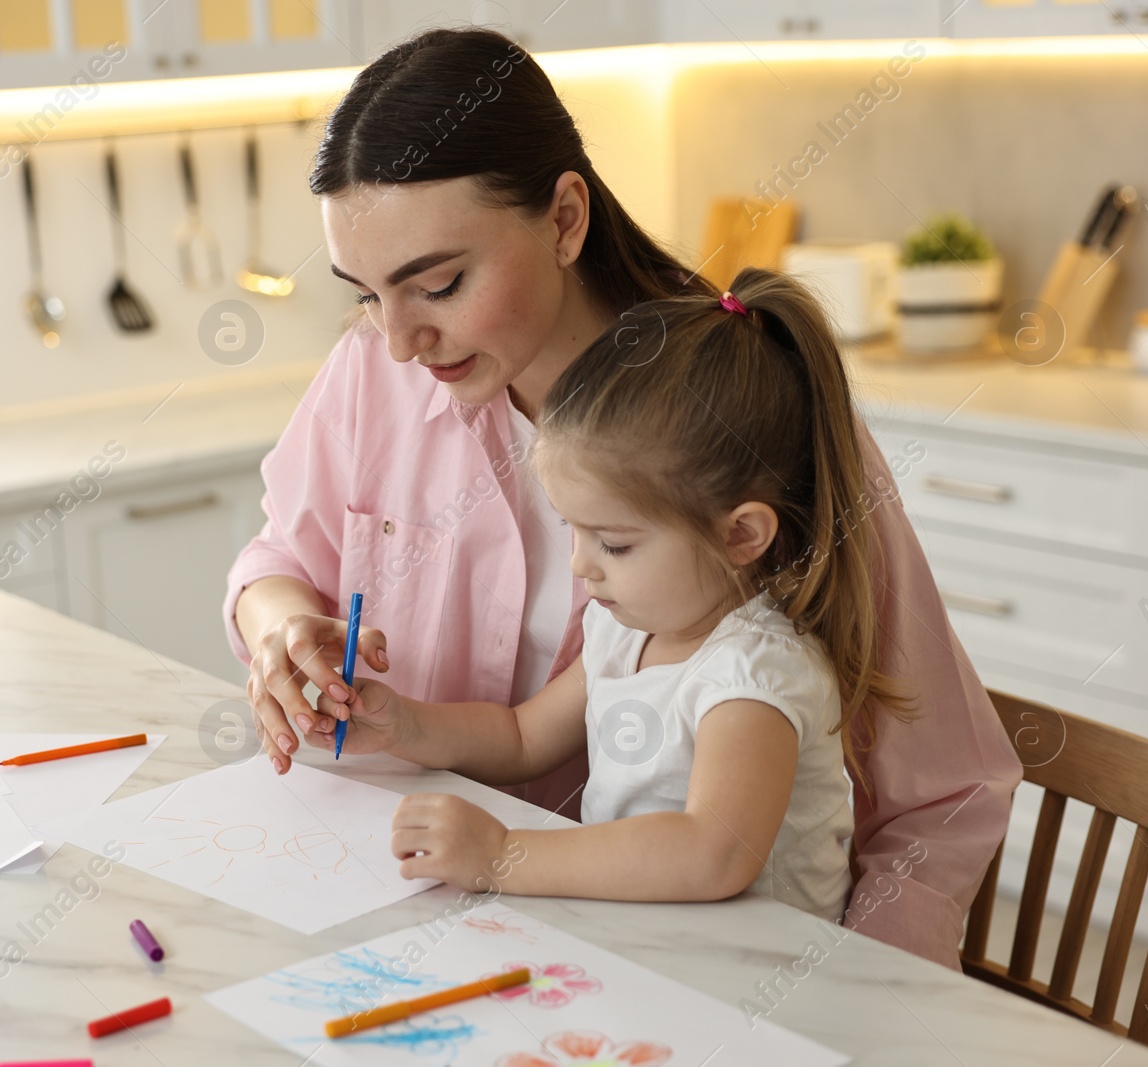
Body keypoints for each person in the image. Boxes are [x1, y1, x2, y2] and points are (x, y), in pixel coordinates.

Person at [223, 26, 1020, 965]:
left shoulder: (742, 416)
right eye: (364, 295)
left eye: (438, 283)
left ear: (565, 218)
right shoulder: (376, 368)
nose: (398, 342)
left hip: (679, 972)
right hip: (430, 916)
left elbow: (941, 798)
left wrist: (860, 1001)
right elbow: (280, 562)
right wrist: (282, 629)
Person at [304, 276, 907, 921]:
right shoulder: (624, 629)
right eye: (574, 530)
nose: (580, 566)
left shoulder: (754, 673)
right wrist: (407, 724)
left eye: (614, 544)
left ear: (741, 535)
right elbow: (522, 737)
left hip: (759, 987)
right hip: (650, 953)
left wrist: (503, 853)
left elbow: (713, 854)